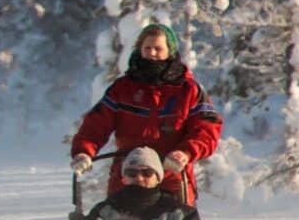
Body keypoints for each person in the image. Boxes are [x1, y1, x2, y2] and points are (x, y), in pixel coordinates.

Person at [71, 22, 222, 203]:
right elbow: (96, 124)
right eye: (147, 47)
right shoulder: (123, 88)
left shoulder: (189, 90)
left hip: (171, 174)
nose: (151, 53)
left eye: (158, 48)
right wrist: (83, 152)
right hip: (129, 175)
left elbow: (207, 129)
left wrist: (185, 153)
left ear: (170, 51)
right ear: (139, 49)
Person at [78, 147, 205, 220]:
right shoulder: (104, 212)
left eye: (147, 173)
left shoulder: (182, 214)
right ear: (124, 178)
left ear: (158, 178)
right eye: (132, 173)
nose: (139, 178)